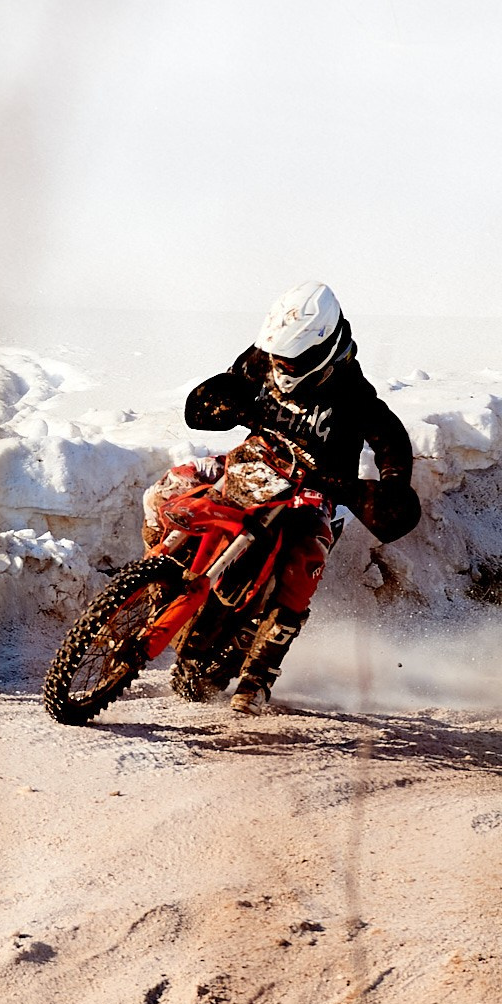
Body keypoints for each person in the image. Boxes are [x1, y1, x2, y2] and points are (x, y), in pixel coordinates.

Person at [141, 282, 422, 715]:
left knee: (301, 564)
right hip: (253, 462)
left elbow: (390, 440)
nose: (284, 366)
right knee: (167, 489)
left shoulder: (352, 393)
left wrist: (393, 483)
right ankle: (156, 583)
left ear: (324, 348)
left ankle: (258, 677)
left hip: (317, 491)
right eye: (278, 357)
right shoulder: (263, 360)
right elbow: (222, 396)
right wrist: (222, 403)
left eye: (294, 359)